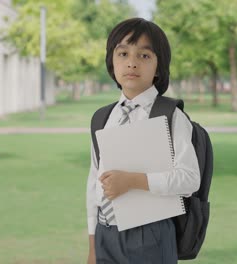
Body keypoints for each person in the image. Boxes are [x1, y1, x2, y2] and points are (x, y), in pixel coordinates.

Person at [86, 17, 200, 264]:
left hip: (150, 234)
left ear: (159, 67)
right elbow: (94, 180)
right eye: (123, 54)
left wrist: (133, 181)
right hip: (106, 233)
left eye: (144, 56)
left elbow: (190, 179)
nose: (132, 63)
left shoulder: (170, 116)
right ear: (112, 62)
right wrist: (93, 241)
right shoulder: (102, 118)